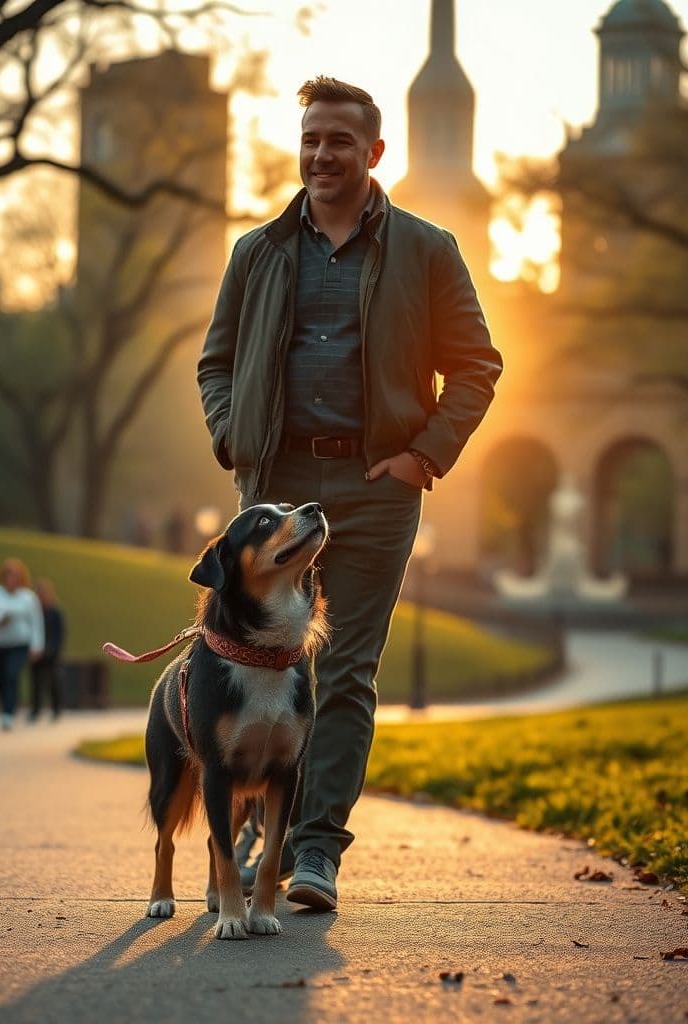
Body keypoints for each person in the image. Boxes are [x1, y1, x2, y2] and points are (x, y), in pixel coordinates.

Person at [197, 76, 502, 910]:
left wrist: (424, 456)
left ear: (373, 152)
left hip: (374, 492)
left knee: (347, 670)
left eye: (338, 140)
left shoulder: (428, 249)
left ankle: (317, 850)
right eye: (310, 140)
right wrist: (233, 436)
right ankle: (260, 821)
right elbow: (215, 361)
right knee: (260, 665)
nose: (321, 154)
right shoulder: (256, 252)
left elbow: (477, 367)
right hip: (277, 493)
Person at [0, 558, 44, 730]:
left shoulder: (28, 598)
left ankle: (8, 713)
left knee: (11, 675)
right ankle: (5, 707)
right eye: (9, 576)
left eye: (15, 576)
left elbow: (36, 623)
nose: (12, 580)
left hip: (19, 644)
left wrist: (37, 646)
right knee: (0, 679)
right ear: (3, 577)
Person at [29, 578, 66, 722]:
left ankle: (56, 710)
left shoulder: (56, 612)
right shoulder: (34, 613)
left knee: (53, 683)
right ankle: (35, 711)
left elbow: (59, 634)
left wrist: (50, 651)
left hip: (51, 655)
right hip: (36, 654)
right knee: (36, 684)